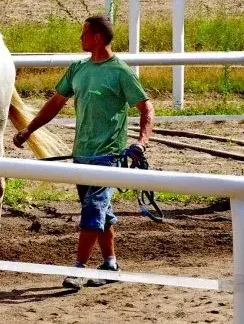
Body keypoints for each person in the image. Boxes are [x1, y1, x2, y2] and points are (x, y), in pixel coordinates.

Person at [13, 15, 155, 290]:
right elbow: (55, 104)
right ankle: (111, 264)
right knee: (102, 212)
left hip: (108, 156)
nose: (80, 39)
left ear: (97, 38)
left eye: (84, 34)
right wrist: (29, 130)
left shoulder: (121, 73)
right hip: (82, 154)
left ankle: (77, 268)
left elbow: (146, 108)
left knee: (93, 210)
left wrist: (142, 141)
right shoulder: (77, 68)